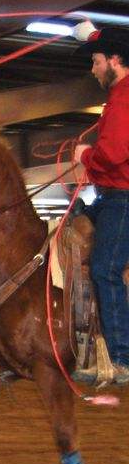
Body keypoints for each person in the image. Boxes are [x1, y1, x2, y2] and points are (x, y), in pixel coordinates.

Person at [72, 23, 129, 384]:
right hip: (112, 196)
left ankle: (122, 358)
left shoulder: (124, 98)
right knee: (71, 227)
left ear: (113, 60)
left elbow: (113, 153)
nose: (93, 69)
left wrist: (86, 155)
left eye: (95, 61)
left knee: (105, 269)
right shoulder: (119, 98)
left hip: (122, 198)